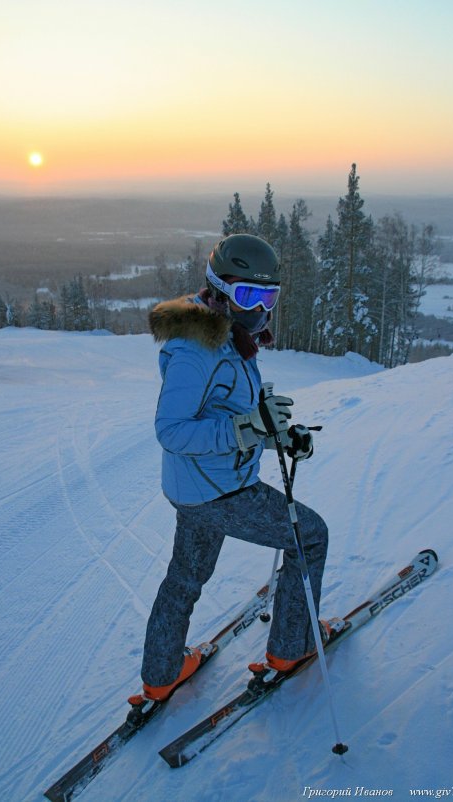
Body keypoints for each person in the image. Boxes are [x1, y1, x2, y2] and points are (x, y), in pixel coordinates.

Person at [135, 234, 328, 702]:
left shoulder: (229, 338)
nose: (259, 309)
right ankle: (291, 647)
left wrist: (278, 431)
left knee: (186, 577)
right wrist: (246, 429)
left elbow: (233, 409)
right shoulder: (195, 350)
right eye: (247, 296)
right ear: (218, 290)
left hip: (197, 491)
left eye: (268, 297)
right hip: (221, 490)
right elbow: (172, 430)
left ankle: (161, 675)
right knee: (310, 536)